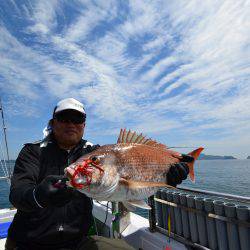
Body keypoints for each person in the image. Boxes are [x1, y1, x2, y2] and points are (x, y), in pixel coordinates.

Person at [6, 98, 190, 250]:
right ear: (53, 123)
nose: (71, 123)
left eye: (77, 119)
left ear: (84, 125)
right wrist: (39, 195)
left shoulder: (95, 151)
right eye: (64, 118)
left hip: (78, 242)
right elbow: (17, 195)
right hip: (28, 242)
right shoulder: (33, 151)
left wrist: (168, 177)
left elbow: (129, 179)